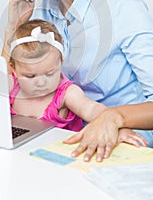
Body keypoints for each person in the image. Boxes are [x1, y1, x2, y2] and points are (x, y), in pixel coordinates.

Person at [2, 0, 153, 161]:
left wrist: (113, 117)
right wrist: (14, 28)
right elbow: (13, 86)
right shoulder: (40, 11)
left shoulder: (124, 9)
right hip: (60, 138)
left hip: (121, 142)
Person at [8, 18, 146, 152]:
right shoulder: (11, 87)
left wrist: (117, 129)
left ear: (60, 62)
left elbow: (92, 109)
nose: (41, 82)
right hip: (21, 154)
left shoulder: (66, 93)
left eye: (50, 73)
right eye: (30, 76)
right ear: (13, 69)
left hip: (60, 158)